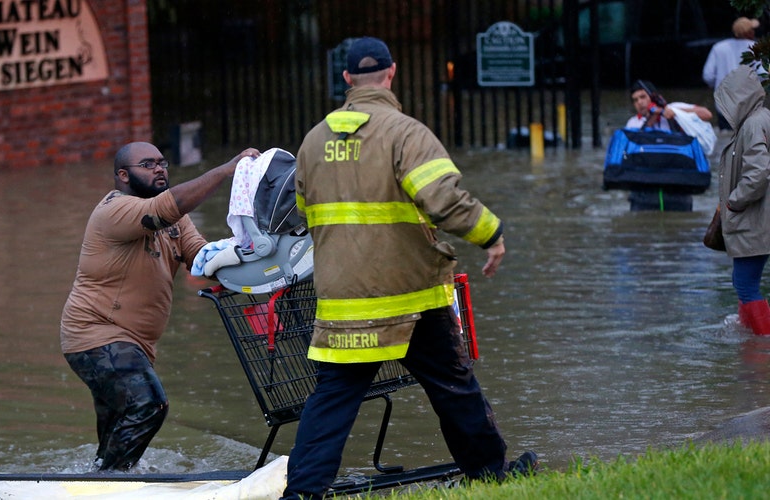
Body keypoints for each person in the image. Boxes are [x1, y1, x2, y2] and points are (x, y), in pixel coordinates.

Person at [280, 37, 537, 499]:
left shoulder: (312, 142)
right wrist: (491, 236)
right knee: (453, 386)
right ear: (391, 73)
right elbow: (445, 201)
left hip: (343, 301)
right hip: (410, 297)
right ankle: (489, 474)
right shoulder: (405, 133)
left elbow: (303, 210)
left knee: (332, 399)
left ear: (346, 80)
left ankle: (302, 492)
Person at [60, 142, 260, 471]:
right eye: (148, 164)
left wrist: (252, 262)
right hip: (95, 335)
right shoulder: (114, 210)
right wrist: (226, 170)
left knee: (118, 426)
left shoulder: (173, 219)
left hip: (132, 343)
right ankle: (111, 483)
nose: (159, 169)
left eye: (162, 163)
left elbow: (199, 255)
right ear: (123, 176)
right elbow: (170, 206)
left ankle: (98, 477)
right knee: (149, 405)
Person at [713, 65, 770, 335]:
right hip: (757, 219)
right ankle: (751, 341)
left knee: (745, 283)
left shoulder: (753, 124)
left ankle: (761, 345)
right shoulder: (759, 120)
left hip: (755, 220)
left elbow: (758, 173)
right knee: (743, 281)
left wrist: (734, 202)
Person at [624, 80, 714, 212]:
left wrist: (676, 112)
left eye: (643, 97)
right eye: (635, 100)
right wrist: (654, 116)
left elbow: (706, 114)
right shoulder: (633, 123)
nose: (639, 102)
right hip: (645, 190)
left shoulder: (673, 107)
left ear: (652, 96)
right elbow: (631, 148)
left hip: (677, 186)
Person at [703, 17, 760, 130]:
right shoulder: (756, 48)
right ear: (748, 32)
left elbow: (708, 76)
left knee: (727, 140)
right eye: (752, 30)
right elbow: (764, 75)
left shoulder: (718, 48)